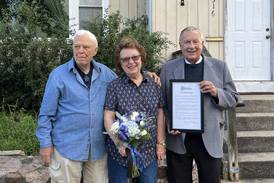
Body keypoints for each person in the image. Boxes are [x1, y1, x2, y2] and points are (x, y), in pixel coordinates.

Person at [160, 26, 239, 183]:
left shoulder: (219, 66)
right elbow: (162, 101)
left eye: (195, 41)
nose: (191, 46)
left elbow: (234, 98)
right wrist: (169, 120)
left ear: (202, 43)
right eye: (187, 42)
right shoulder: (168, 68)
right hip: (178, 138)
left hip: (209, 137)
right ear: (180, 45)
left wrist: (216, 92)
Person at [104, 37, 165, 183]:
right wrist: (118, 142)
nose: (131, 62)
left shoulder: (154, 83)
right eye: (125, 59)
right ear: (120, 63)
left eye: (134, 57)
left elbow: (160, 113)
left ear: (141, 58)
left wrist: (160, 143)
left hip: (149, 152)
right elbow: (108, 116)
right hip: (121, 153)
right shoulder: (114, 86)